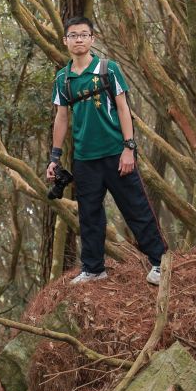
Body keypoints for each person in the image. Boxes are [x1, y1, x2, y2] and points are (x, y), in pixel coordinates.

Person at [46, 16, 167, 285]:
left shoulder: (108, 69)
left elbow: (124, 108)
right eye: (73, 35)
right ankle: (93, 269)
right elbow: (62, 117)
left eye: (84, 34)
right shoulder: (63, 78)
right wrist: (55, 157)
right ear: (65, 41)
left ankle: (160, 262)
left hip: (116, 153)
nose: (79, 39)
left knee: (136, 208)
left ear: (92, 39)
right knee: (89, 214)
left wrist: (129, 148)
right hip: (85, 159)